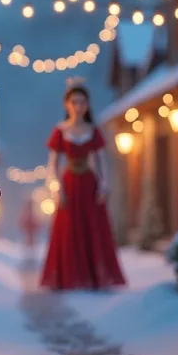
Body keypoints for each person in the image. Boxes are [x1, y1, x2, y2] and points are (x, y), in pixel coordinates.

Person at [40, 77, 126, 290]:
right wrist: (58, 189)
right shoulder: (60, 131)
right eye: (74, 102)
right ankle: (68, 277)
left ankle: (94, 277)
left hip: (89, 184)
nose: (78, 106)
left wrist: (103, 185)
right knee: (68, 230)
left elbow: (101, 161)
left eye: (82, 102)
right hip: (69, 184)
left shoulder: (92, 130)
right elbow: (52, 164)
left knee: (92, 229)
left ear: (87, 105)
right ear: (66, 104)